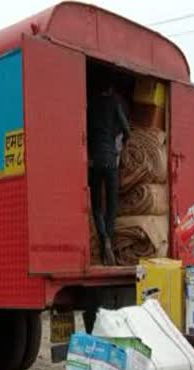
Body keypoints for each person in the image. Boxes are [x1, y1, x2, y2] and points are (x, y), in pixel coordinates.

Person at [87, 82, 130, 266]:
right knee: (112, 205)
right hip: (111, 160)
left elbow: (86, 131)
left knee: (97, 206)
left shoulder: (92, 105)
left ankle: (103, 237)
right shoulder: (114, 103)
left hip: (95, 161)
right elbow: (127, 129)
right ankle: (109, 241)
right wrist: (120, 146)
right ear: (111, 89)